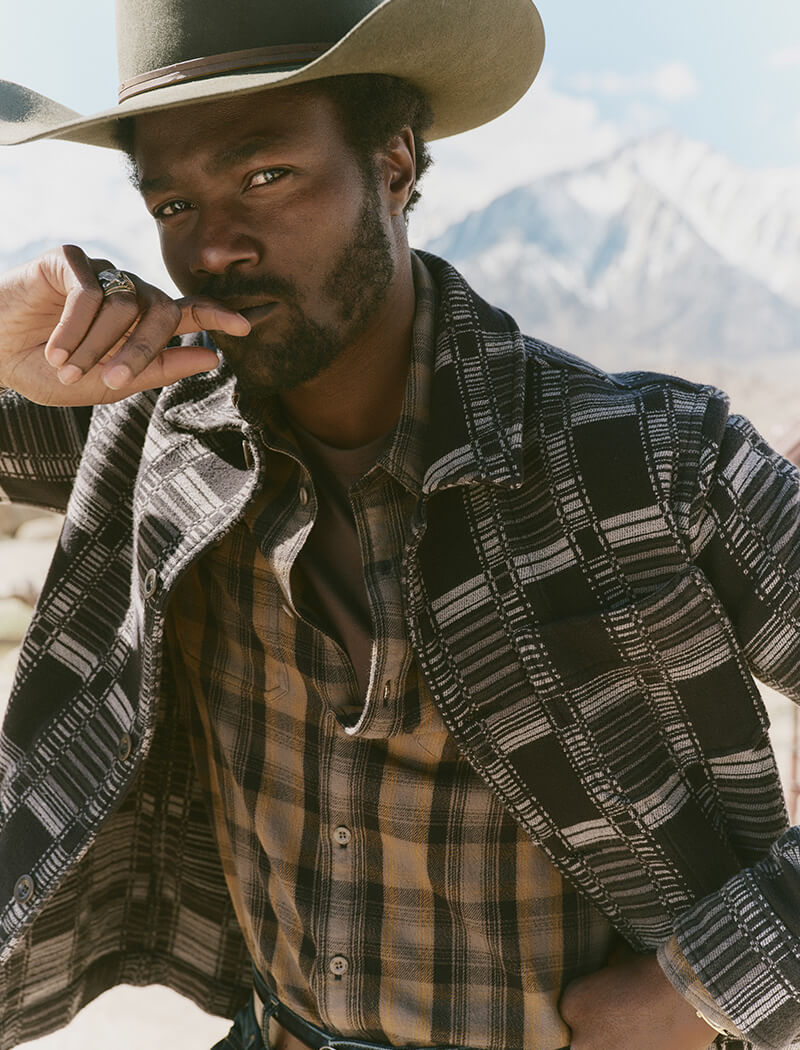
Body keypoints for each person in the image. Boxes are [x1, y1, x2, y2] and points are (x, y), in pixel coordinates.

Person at [0, 2, 799, 1049]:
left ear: (393, 166)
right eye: (174, 202)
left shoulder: (648, 459)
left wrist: (713, 984)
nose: (217, 247)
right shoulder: (154, 432)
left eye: (266, 176)